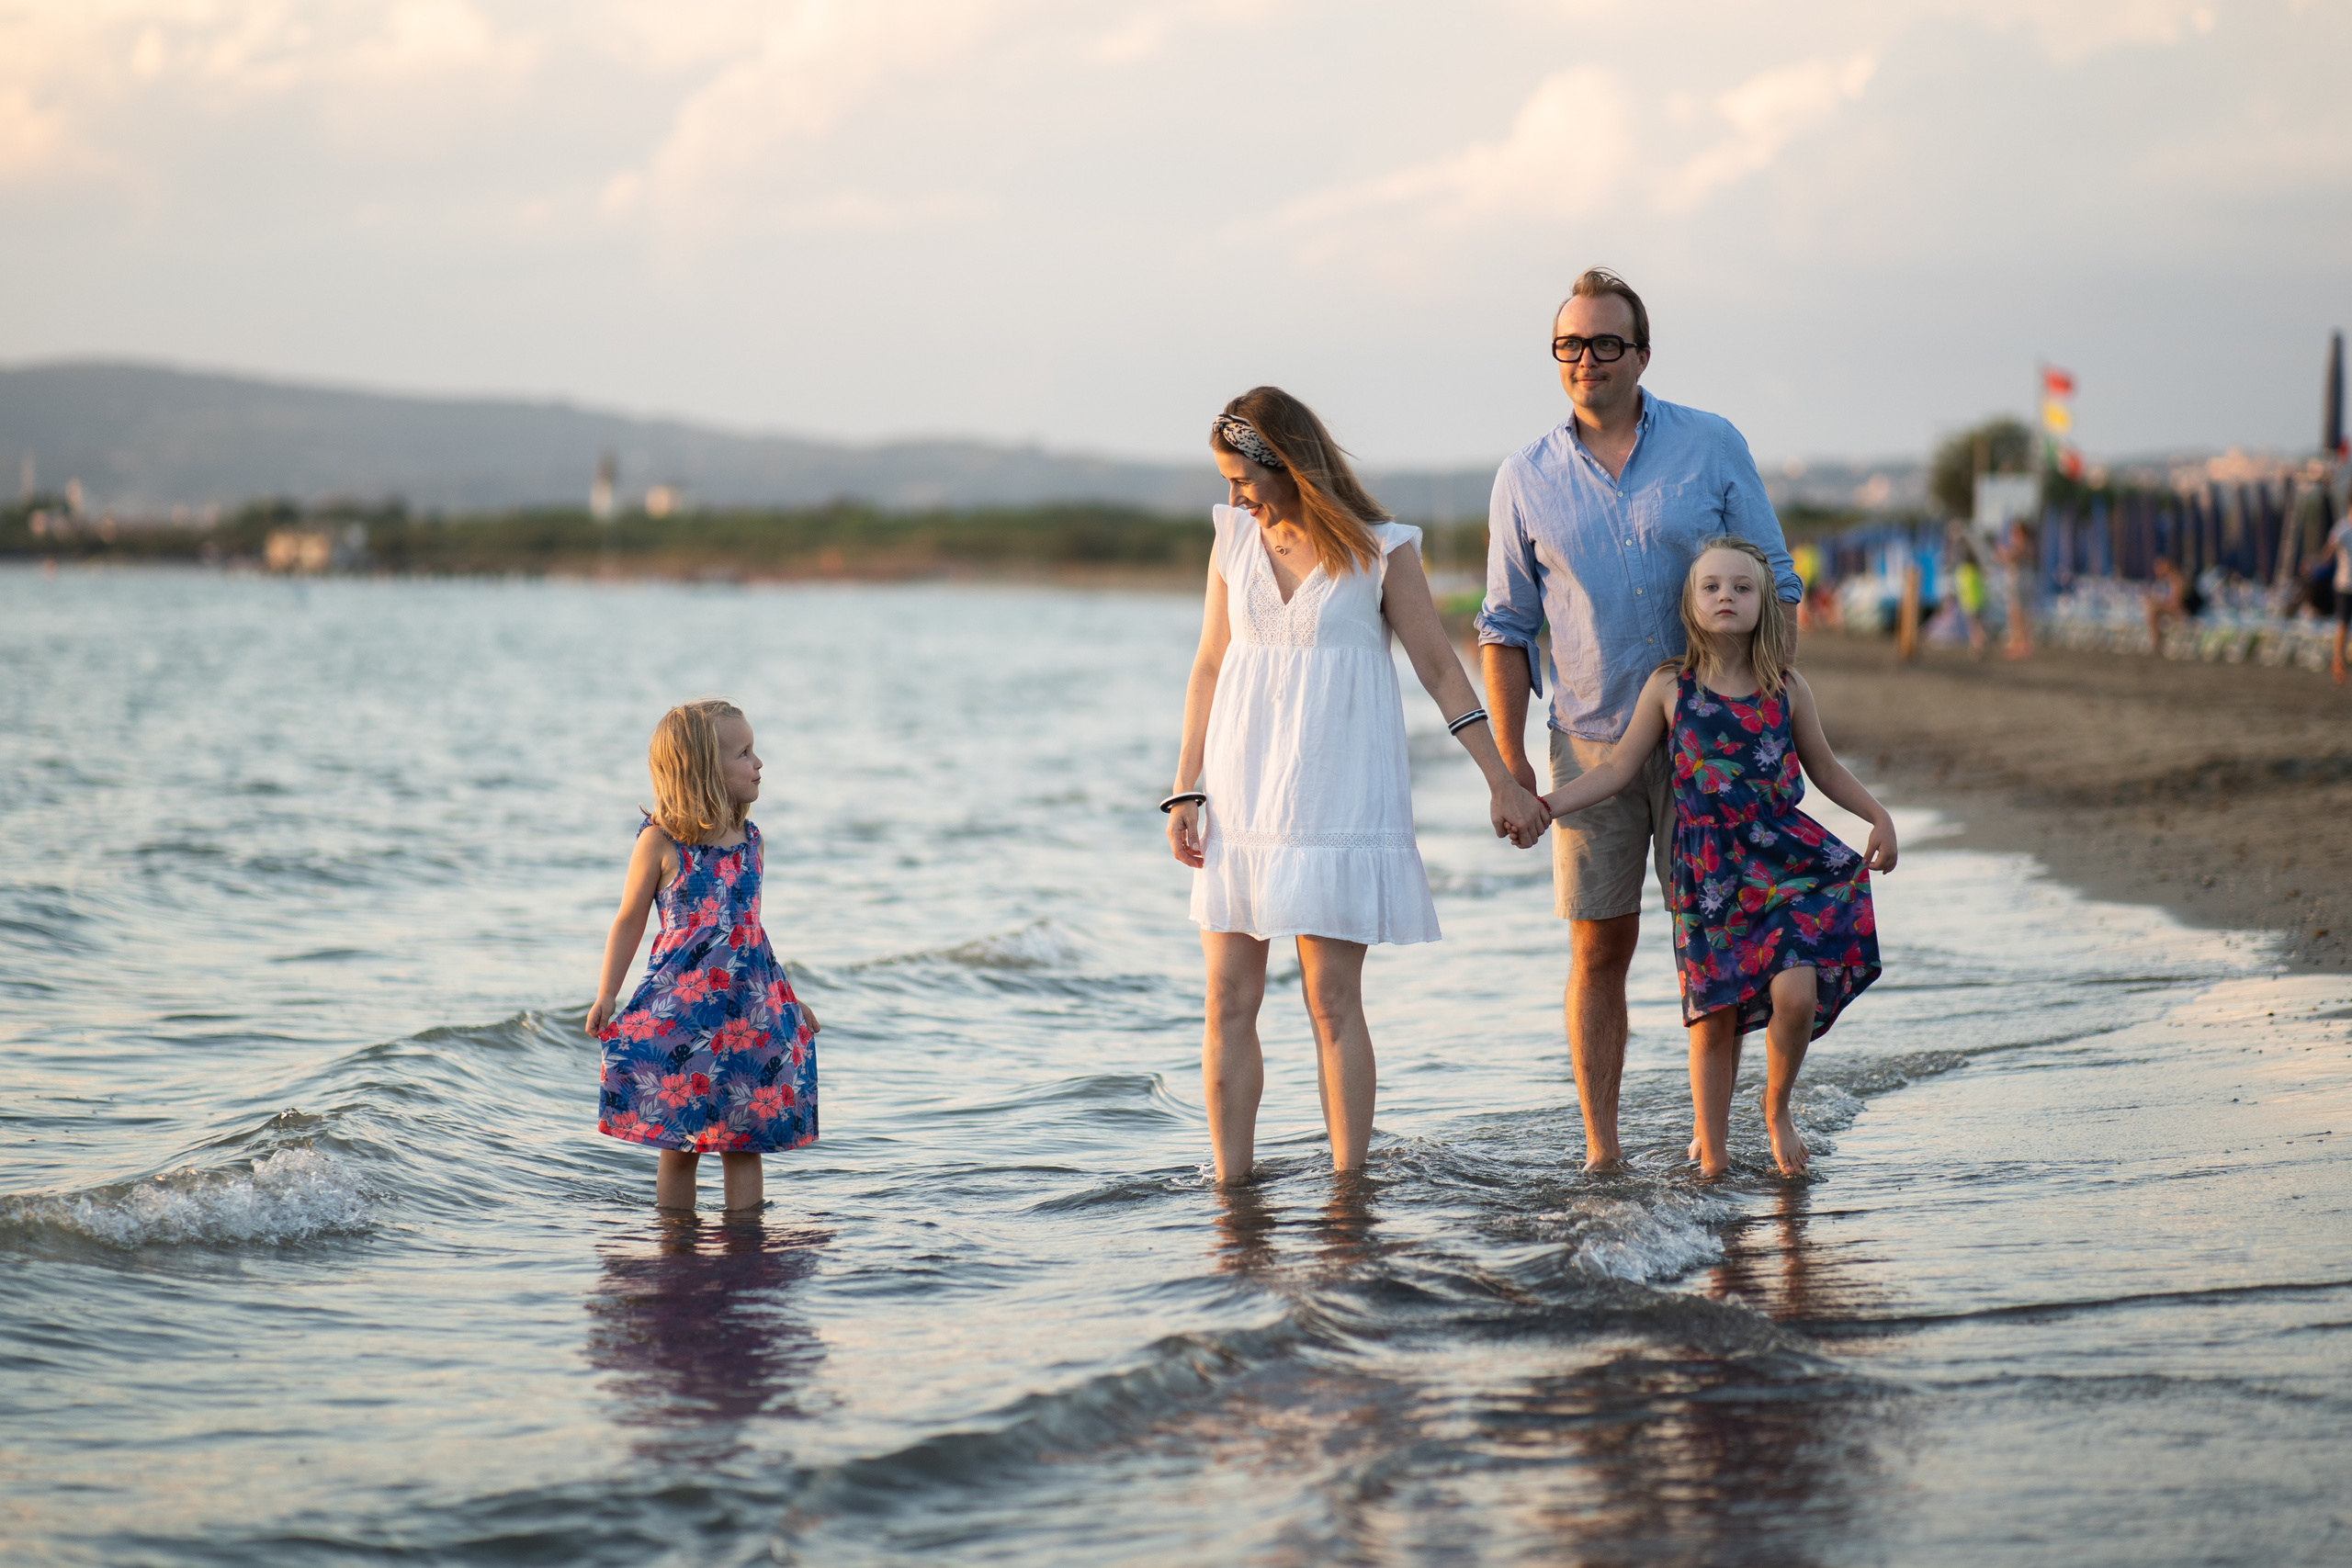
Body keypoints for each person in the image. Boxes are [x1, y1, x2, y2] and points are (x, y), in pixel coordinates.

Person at [1167, 387, 1549, 1185]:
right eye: (1227, 479)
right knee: (1227, 1001)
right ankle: (1231, 1194)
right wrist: (1184, 788)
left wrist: (1500, 779)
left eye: (1244, 476)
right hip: (1240, 793)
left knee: (1332, 999)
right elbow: (1209, 665)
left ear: (1288, 461)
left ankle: (1350, 1194)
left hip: (1335, 794)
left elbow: (1440, 667)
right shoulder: (1231, 539)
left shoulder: (1379, 548)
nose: (1234, 494)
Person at [1476, 267, 1802, 1171]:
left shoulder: (1710, 445)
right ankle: (1602, 1152)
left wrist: (1757, 720)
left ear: (1641, 353)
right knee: (1599, 948)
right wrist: (1510, 771)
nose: (1587, 359)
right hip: (1586, 744)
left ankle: (1715, 1143)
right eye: (1569, 345)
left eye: (1606, 343)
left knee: (1714, 946)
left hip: (1712, 743)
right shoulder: (1524, 479)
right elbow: (1502, 631)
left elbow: (1777, 580)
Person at [1537, 539, 1892, 1179]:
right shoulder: (1672, 688)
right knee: (1713, 1016)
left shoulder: (1786, 688)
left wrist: (1879, 816)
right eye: (1711, 587)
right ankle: (1715, 1155)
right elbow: (1618, 767)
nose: (1726, 595)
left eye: (1742, 587)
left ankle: (1777, 1106)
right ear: (1691, 603)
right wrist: (1547, 804)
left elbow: (1827, 767)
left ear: (1764, 605)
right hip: (1708, 873)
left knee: (1797, 994)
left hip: (1784, 860)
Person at [588, 700, 820, 1213]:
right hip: (682, 1010)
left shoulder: (751, 842)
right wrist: (608, 994)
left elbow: (752, 935)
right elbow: (629, 919)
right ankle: (676, 1245)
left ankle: (745, 1245)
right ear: (703, 771)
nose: (758, 763)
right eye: (744, 753)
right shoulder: (661, 842)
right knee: (679, 1144)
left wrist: (791, 1000)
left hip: (749, 1012)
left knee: (745, 1142)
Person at [2143, 555, 2205, 654]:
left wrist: (2159, 605)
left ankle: (2156, 644)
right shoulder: (2172, 578)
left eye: (2159, 567)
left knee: (2153, 611)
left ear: (2165, 567)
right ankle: (2156, 643)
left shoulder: (2175, 578)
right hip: (2185, 609)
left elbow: (2177, 603)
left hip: (2186, 611)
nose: (2156, 571)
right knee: (2152, 608)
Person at [2327, 505, 2352, 685]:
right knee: (2342, 624)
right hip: (2344, 584)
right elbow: (2329, 548)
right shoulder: (2342, 528)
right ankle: (2337, 662)